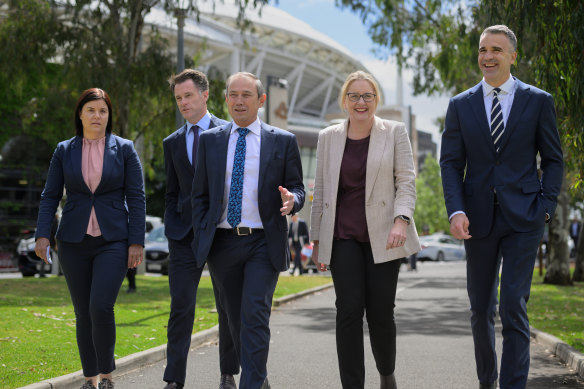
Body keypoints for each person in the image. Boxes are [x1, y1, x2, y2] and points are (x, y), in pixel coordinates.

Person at [440, 25, 563, 389]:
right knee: (480, 309)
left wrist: (546, 206)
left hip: (525, 216)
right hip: (476, 219)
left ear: (512, 56)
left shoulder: (538, 100)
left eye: (496, 49)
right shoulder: (460, 105)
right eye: (482, 49)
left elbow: (553, 160)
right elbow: (450, 163)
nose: (487, 56)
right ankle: (487, 381)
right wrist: (455, 210)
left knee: (512, 304)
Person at [191, 72, 305, 389]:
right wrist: (202, 236)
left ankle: (251, 385)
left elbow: (298, 187)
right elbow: (199, 194)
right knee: (234, 318)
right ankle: (260, 379)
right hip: (223, 244)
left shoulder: (282, 141)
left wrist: (292, 200)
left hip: (262, 243)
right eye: (233, 94)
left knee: (254, 315)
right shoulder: (211, 141)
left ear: (261, 100)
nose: (239, 101)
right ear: (225, 99)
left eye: (246, 95)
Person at [310, 70, 420, 389]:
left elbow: (407, 182)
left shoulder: (394, 132)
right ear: (345, 101)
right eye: (354, 96)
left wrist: (402, 219)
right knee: (348, 310)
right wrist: (317, 240)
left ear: (376, 101)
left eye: (368, 96)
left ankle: (386, 372)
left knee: (381, 312)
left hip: (385, 236)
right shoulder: (327, 137)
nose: (361, 102)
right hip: (343, 236)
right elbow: (322, 192)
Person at [34, 88, 146, 389]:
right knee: (83, 312)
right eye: (91, 110)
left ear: (109, 116)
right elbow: (50, 196)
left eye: (103, 111)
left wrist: (137, 241)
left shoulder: (124, 149)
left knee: (100, 306)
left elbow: (136, 197)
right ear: (80, 114)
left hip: (114, 240)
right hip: (72, 241)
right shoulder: (64, 150)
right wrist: (42, 235)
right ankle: (90, 378)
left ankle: (107, 374)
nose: (98, 116)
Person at [162, 69, 239, 389]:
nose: (183, 102)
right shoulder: (172, 142)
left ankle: (227, 375)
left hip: (222, 233)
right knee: (181, 306)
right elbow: (170, 191)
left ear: (205, 95)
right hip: (183, 237)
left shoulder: (230, 131)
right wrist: (171, 225)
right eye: (178, 98)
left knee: (227, 306)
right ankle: (174, 379)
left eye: (188, 95)